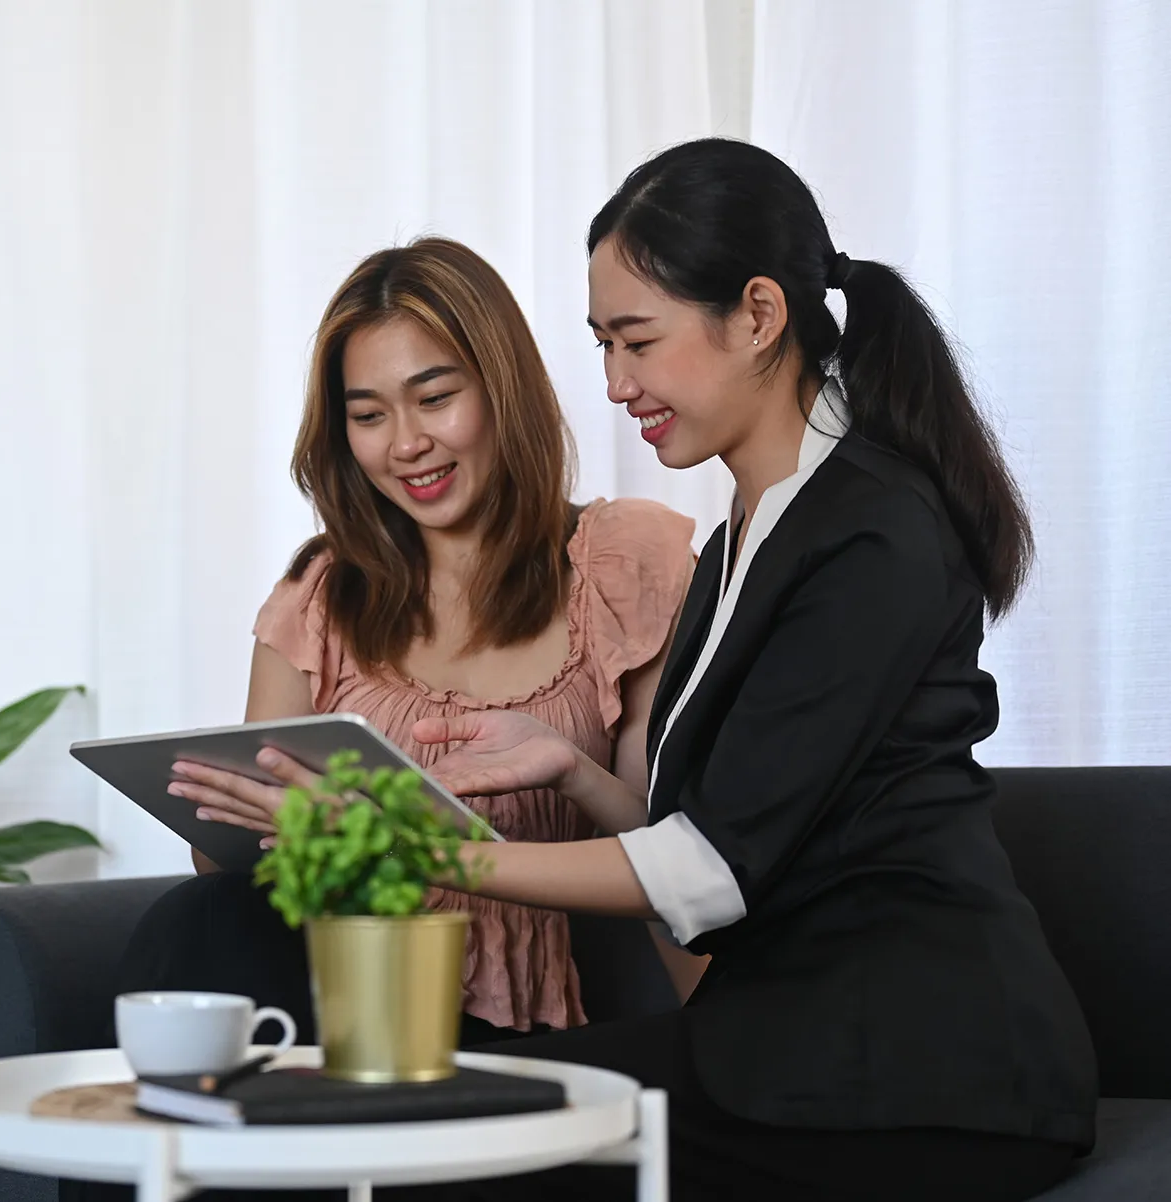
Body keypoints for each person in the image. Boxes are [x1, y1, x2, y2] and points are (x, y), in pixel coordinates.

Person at [210, 139, 1098, 1202]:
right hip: (788, 1049)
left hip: (921, 1071)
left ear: (759, 315)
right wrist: (570, 771)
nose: (615, 383)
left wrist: (424, 846)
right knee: (419, 1117)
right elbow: (720, 827)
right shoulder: (738, 542)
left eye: (636, 340)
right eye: (602, 345)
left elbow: (710, 873)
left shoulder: (870, 534)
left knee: (445, 1138)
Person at [115, 235, 705, 1049]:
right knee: (206, 914)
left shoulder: (621, 565)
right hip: (345, 985)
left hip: (545, 1003)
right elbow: (225, 872)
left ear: (502, 391)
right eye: (367, 415)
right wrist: (274, 822)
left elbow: (671, 843)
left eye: (433, 398)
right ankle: (170, 1161)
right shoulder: (320, 595)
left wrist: (568, 772)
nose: (404, 444)